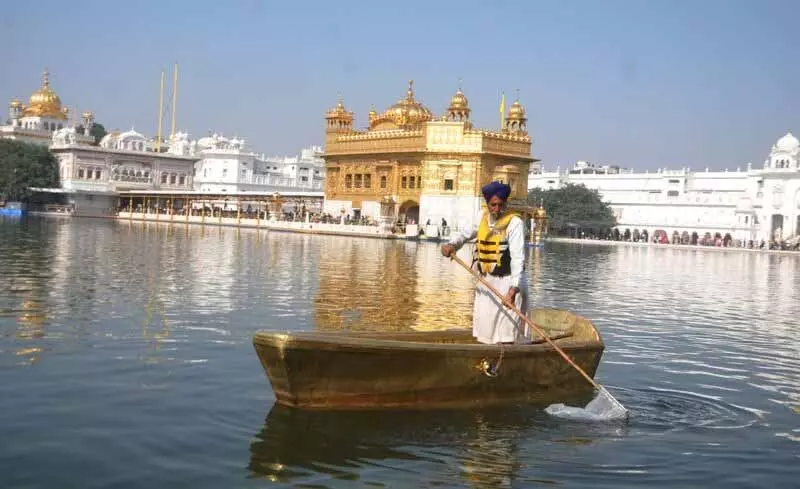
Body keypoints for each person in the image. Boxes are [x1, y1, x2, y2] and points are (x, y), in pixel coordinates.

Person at [441, 181, 530, 344]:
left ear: (506, 203)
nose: (497, 209)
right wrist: (451, 244)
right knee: (484, 328)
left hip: (509, 281)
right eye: (493, 205)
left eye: (500, 205)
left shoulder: (514, 223)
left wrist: (513, 289)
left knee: (507, 333)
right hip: (487, 280)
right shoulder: (480, 217)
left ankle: (508, 356)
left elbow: (518, 259)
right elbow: (464, 234)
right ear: (487, 204)